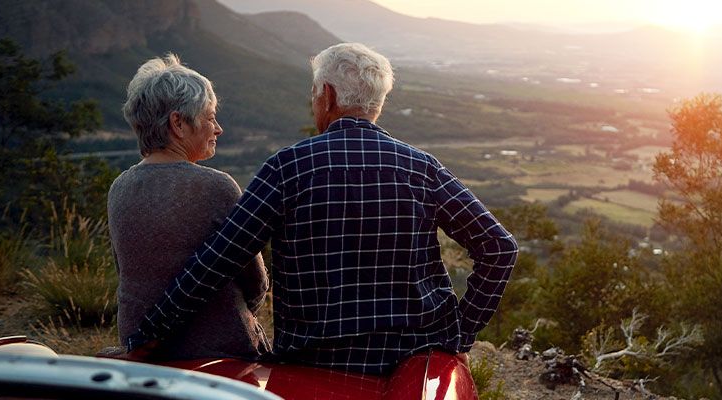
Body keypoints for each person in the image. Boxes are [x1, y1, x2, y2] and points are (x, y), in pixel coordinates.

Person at [124, 43, 518, 375]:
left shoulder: (286, 168)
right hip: (413, 363)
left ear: (327, 95)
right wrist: (459, 336)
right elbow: (500, 248)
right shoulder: (422, 168)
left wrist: (143, 341)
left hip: (312, 366)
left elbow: (215, 264)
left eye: (314, 93)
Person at [107, 54, 269, 360]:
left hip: (143, 353)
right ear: (178, 123)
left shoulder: (120, 187)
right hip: (219, 357)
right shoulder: (216, 186)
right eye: (209, 117)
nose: (218, 128)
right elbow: (256, 283)